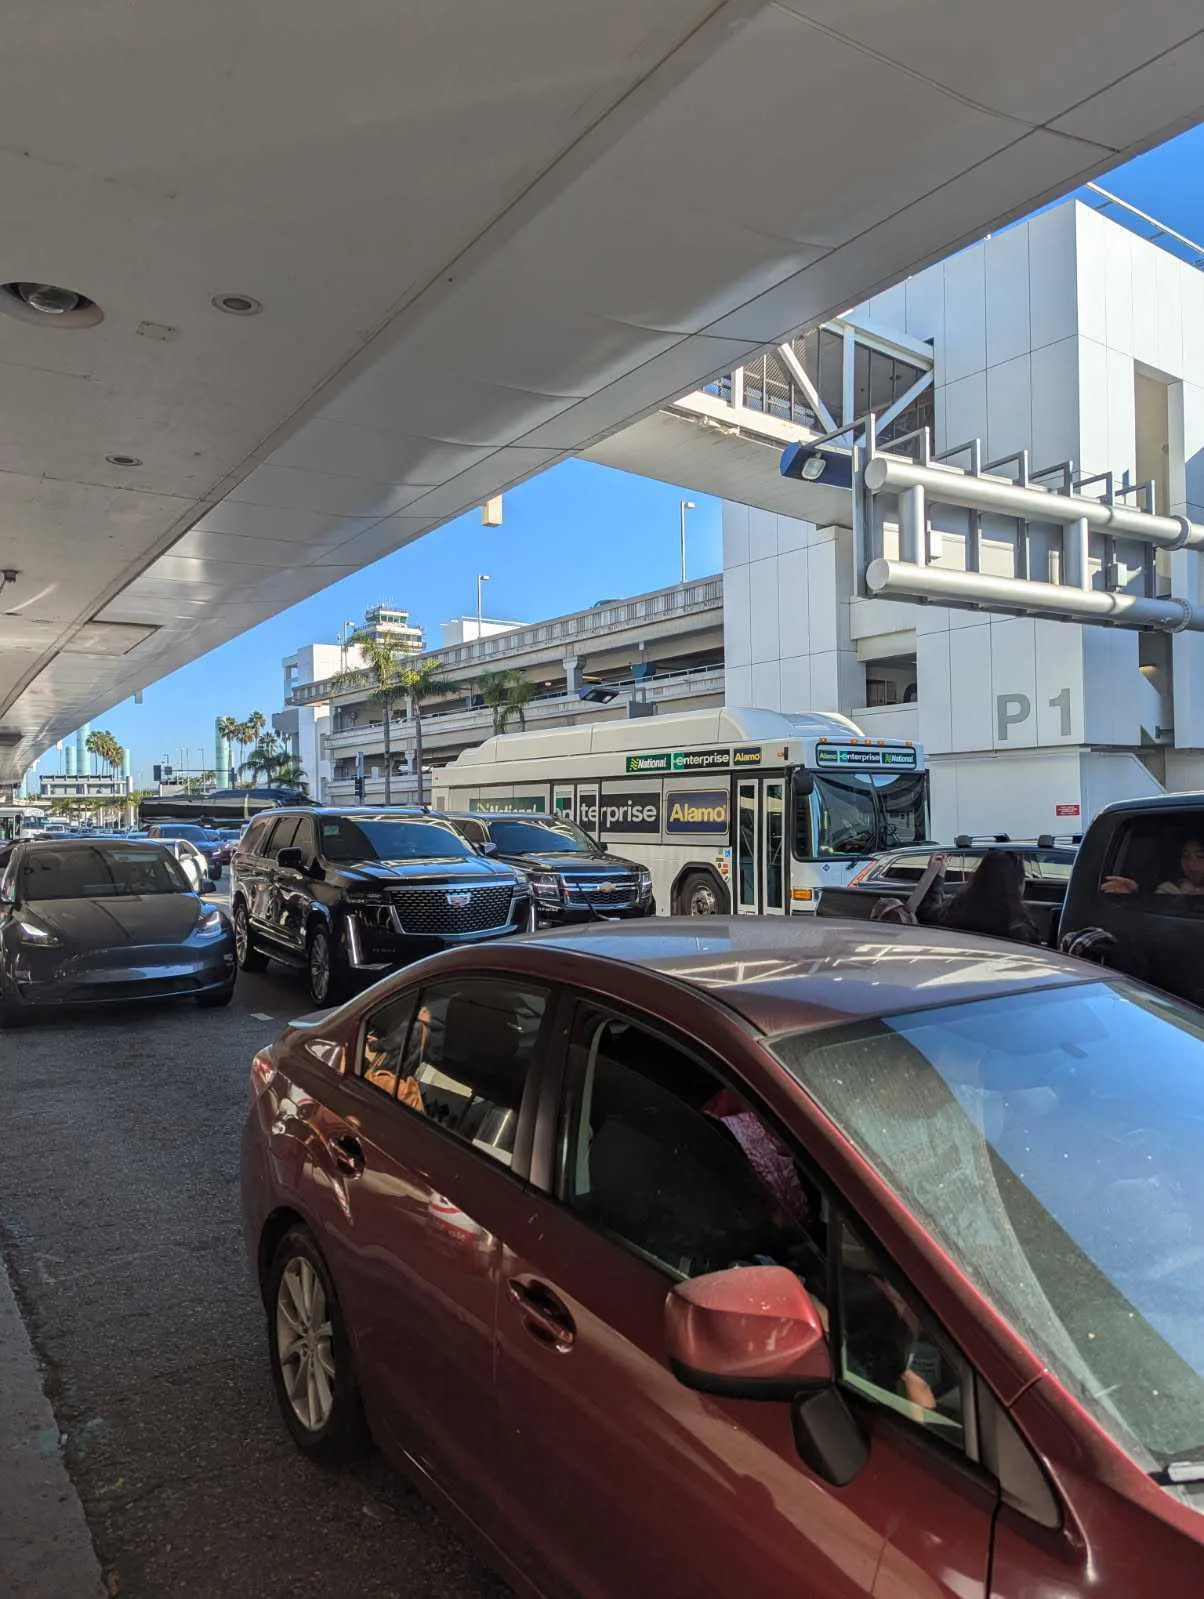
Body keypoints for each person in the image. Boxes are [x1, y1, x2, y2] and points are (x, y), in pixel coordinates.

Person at [928, 850, 1041, 944]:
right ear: (1017, 885)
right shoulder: (1020, 930)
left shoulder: (956, 912)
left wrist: (936, 875)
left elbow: (927, 913)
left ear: (979, 878)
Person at [1102, 838, 1204, 900]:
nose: (1190, 863)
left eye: (1200, 856)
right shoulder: (1169, 890)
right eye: (1185, 856)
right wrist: (1135, 896)